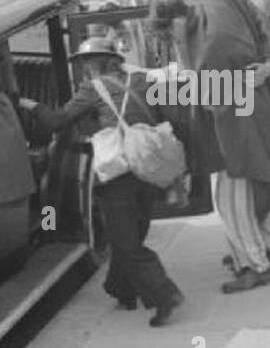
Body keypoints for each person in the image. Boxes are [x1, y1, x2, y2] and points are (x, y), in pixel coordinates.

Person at [140, 0, 270, 292]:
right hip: (250, 99)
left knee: (233, 195)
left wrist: (168, 89)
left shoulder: (208, 22)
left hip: (239, 110)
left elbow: (214, 78)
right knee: (245, 191)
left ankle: (256, 264)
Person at [19, 36, 184, 326]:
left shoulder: (92, 88)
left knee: (125, 242)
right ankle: (121, 289)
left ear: (95, 64)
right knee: (133, 233)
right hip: (147, 167)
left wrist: (31, 105)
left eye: (85, 62)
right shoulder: (142, 80)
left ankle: (164, 294)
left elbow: (57, 121)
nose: (83, 67)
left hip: (118, 173)